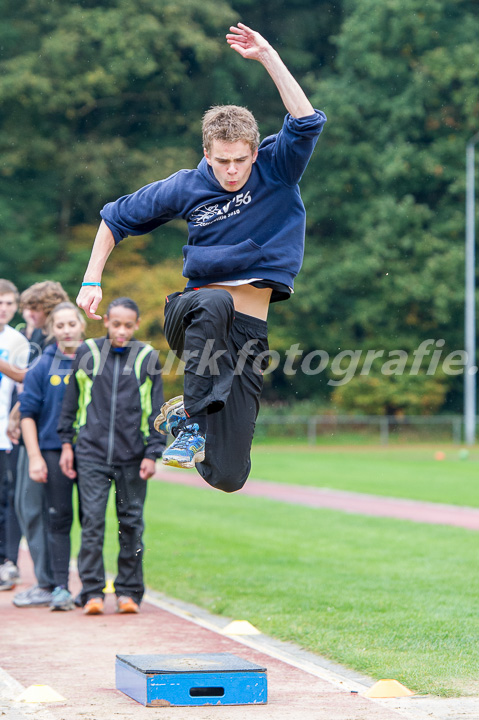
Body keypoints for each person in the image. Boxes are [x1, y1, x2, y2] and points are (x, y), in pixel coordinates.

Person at [76, 24, 326, 491]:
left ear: (255, 151)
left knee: (231, 476)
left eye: (239, 160)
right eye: (221, 161)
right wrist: (92, 280)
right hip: (193, 312)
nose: (231, 171)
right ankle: (191, 419)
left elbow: (306, 120)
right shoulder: (186, 186)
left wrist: (269, 56)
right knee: (216, 304)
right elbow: (114, 219)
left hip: (249, 334)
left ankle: (184, 420)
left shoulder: (277, 167)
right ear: (206, 153)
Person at [58, 297, 165, 615]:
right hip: (90, 453)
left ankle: (128, 593)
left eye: (128, 326)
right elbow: (71, 403)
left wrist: (153, 452)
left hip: (133, 456)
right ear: (105, 322)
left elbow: (156, 410)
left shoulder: (147, 356)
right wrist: (67, 444)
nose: (121, 331)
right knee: (91, 522)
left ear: (136, 325)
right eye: (116, 324)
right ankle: (92, 592)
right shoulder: (87, 352)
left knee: (131, 523)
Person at [18, 302, 85, 610]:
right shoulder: (42, 366)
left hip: (90, 453)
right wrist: (34, 457)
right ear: (52, 330)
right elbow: (28, 415)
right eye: (60, 325)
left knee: (91, 521)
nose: (66, 330)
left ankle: (91, 587)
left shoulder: (98, 360)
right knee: (57, 519)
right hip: (51, 451)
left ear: (82, 324)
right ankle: (60, 587)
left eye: (71, 323)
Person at [9, 280, 70, 607]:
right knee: (25, 505)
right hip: (33, 430)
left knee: (37, 508)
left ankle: (47, 582)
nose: (27, 314)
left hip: (47, 438)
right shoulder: (37, 337)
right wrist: (18, 414)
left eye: (33, 309)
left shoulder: (56, 340)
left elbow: (31, 379)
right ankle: (46, 580)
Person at [0, 280, 30, 591]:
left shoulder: (19, 341)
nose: (4, 309)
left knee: (8, 499)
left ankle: (8, 562)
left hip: (6, 435)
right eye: (0, 303)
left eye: (9, 303)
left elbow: (26, 385)